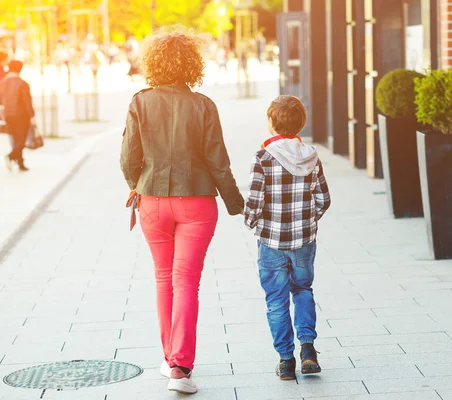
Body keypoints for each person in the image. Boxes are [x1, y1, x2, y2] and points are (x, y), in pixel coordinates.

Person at [120, 25, 244, 394]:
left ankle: (168, 357)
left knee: (163, 277)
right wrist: (237, 204)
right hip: (197, 203)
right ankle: (181, 369)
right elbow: (218, 161)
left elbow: (128, 159)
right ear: (192, 64)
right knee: (186, 279)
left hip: (153, 203)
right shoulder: (204, 106)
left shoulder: (140, 102)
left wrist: (135, 186)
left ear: (153, 63)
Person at [243, 95, 331, 381]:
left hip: (271, 244)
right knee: (303, 290)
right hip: (304, 241)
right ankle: (308, 349)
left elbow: (254, 203)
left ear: (271, 124)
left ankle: (285, 360)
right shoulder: (312, 155)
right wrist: (308, 221)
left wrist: (251, 222)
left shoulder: (263, 159)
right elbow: (323, 199)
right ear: (301, 122)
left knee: (276, 301)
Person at [0, 60, 35, 172]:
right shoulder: (22, 83)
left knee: (15, 139)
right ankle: (11, 156)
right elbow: (27, 101)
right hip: (21, 115)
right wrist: (32, 115)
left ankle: (20, 163)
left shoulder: (2, 82)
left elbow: (0, 100)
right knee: (22, 139)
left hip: (8, 114)